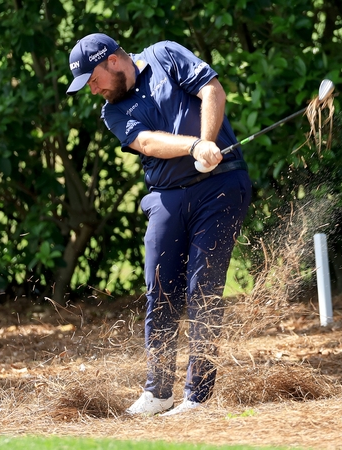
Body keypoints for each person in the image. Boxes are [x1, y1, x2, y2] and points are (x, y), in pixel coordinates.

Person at [67, 33, 252, 416]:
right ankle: (158, 391)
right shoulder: (112, 111)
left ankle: (197, 396)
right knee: (160, 290)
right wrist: (194, 147)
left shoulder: (165, 55)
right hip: (166, 197)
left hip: (220, 185)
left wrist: (208, 140)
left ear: (113, 61)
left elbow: (212, 90)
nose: (93, 90)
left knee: (203, 287)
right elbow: (148, 143)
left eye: (94, 80)